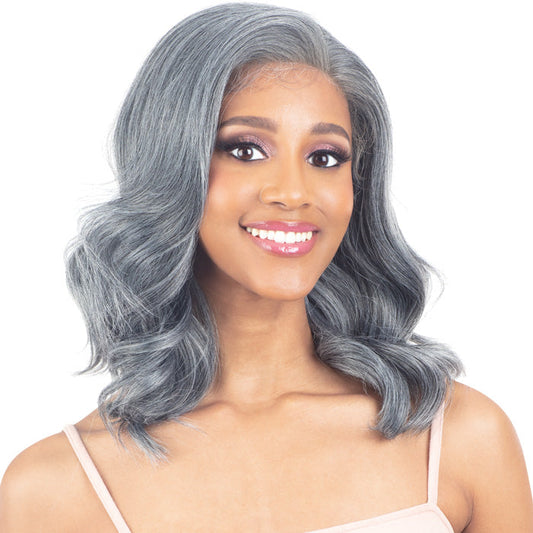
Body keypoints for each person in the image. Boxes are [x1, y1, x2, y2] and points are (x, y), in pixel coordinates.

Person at [1, 3, 531, 532]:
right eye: (246, 150)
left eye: (324, 157)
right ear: (172, 164)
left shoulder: (460, 438)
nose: (294, 193)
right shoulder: (55, 490)